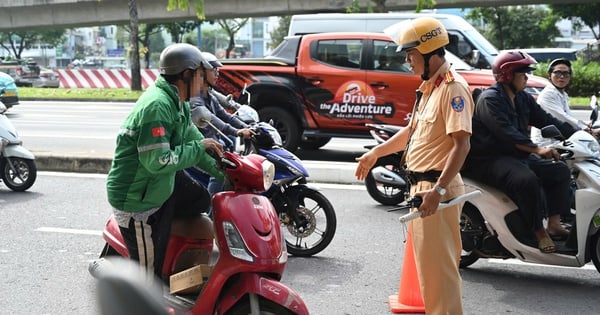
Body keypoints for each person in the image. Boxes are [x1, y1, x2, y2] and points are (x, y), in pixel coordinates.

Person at [355, 17, 474, 314]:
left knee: (440, 277)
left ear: (430, 52)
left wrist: (438, 189)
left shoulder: (452, 88)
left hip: (435, 190)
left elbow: (462, 145)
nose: (408, 62)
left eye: (410, 55)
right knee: (430, 277)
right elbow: (410, 132)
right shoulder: (429, 88)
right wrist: (375, 154)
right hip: (422, 189)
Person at [106, 43, 224, 280]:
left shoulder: (178, 101)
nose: (203, 83)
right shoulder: (157, 106)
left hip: (157, 182)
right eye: (201, 75)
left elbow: (194, 141)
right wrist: (200, 146)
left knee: (202, 199)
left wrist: (226, 170)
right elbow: (158, 161)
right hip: (137, 198)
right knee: (148, 279)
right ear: (186, 75)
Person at [463, 50, 577, 254]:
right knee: (526, 180)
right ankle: (539, 232)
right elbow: (506, 133)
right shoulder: (491, 100)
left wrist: (580, 134)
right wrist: (538, 149)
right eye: (522, 73)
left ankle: (554, 223)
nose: (526, 77)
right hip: (489, 159)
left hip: (515, 156)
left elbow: (547, 120)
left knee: (560, 171)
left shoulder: (522, 98)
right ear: (507, 75)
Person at [189, 52, 253, 195]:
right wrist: (236, 132)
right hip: (199, 148)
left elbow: (226, 116)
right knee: (221, 172)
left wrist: (247, 127)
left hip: (213, 144)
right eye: (214, 70)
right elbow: (213, 119)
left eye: (217, 70)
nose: (217, 73)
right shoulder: (195, 99)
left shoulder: (209, 96)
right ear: (201, 72)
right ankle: (213, 210)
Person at [531, 58, 600, 142]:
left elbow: (567, 117)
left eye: (566, 73)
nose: (562, 77)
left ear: (570, 76)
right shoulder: (548, 94)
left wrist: (584, 123)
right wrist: (589, 130)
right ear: (549, 74)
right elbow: (563, 118)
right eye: (557, 73)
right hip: (548, 143)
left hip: (561, 138)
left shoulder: (562, 94)